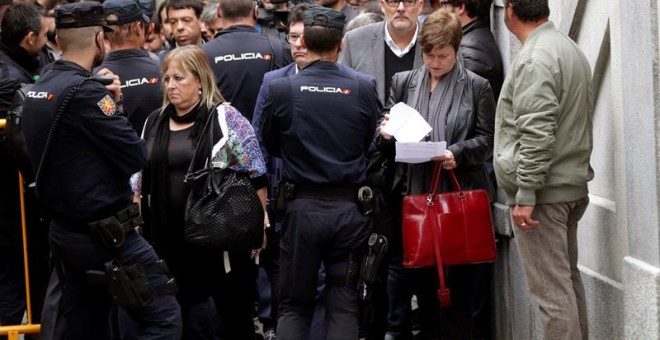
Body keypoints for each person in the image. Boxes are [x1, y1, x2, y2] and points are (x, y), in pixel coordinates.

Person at [20, 2, 182, 339]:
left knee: (84, 325)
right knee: (162, 317)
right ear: (99, 40)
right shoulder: (87, 93)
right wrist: (117, 104)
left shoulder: (39, 85)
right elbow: (135, 154)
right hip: (106, 235)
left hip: (64, 230)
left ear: (59, 40)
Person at [261, 7, 381, 339]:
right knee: (343, 304)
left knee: (294, 306)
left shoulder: (282, 90)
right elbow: (372, 140)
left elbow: (268, 143)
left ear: (305, 41)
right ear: (341, 44)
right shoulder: (363, 87)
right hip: (348, 211)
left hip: (302, 211)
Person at [135, 44, 268, 340]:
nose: (171, 85)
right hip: (167, 238)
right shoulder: (154, 122)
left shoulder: (225, 118)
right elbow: (140, 178)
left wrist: (257, 226)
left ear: (200, 80)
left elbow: (256, 172)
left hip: (218, 236)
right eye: (167, 78)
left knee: (228, 314)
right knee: (180, 316)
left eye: (179, 78)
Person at [377, 9, 495, 339]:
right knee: (421, 288)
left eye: (442, 55)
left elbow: (487, 140)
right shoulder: (404, 82)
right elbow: (384, 136)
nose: (435, 62)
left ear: (456, 50)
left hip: (455, 200)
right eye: (429, 55)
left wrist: (456, 153)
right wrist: (385, 133)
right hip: (413, 197)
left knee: (458, 293)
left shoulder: (476, 87)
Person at [494, 0, 594, 339]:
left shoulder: (537, 56)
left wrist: (526, 193)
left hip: (543, 196)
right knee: (564, 286)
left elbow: (537, 132)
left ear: (510, 10)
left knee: (553, 295)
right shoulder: (565, 47)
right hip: (563, 187)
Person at [0, 4, 49, 336]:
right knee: (15, 271)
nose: (48, 42)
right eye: (45, 36)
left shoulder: (35, 57)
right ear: (29, 37)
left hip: (27, 196)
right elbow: (20, 138)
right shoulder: (6, 78)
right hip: (12, 195)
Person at [202, 0, 293, 122]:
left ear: (218, 12)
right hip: (269, 137)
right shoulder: (281, 49)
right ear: (256, 12)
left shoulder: (200, 54)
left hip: (221, 136)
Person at [339, 0, 424, 105]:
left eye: (408, 2)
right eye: (393, 2)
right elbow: (341, 90)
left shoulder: (435, 40)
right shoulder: (355, 40)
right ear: (383, 6)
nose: (401, 8)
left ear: (420, 6)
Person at [99, 0, 162, 133]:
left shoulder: (96, 77)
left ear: (104, 33)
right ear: (139, 27)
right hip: (158, 151)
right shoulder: (163, 69)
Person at [439, 0, 502, 99]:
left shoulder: (470, 50)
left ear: (460, 7)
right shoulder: (472, 40)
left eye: (444, 5)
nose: (440, 12)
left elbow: (461, 107)